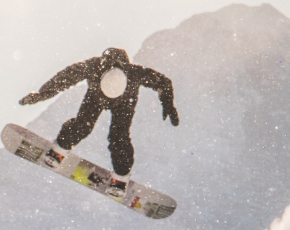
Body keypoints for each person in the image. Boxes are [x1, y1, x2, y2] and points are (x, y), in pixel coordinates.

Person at [19, 47, 179, 177]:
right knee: (83, 126)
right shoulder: (93, 67)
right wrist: (42, 94)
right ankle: (60, 149)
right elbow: (64, 78)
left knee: (119, 136)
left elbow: (164, 83)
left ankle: (121, 176)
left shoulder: (134, 73)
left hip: (124, 102)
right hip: (96, 96)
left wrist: (168, 104)